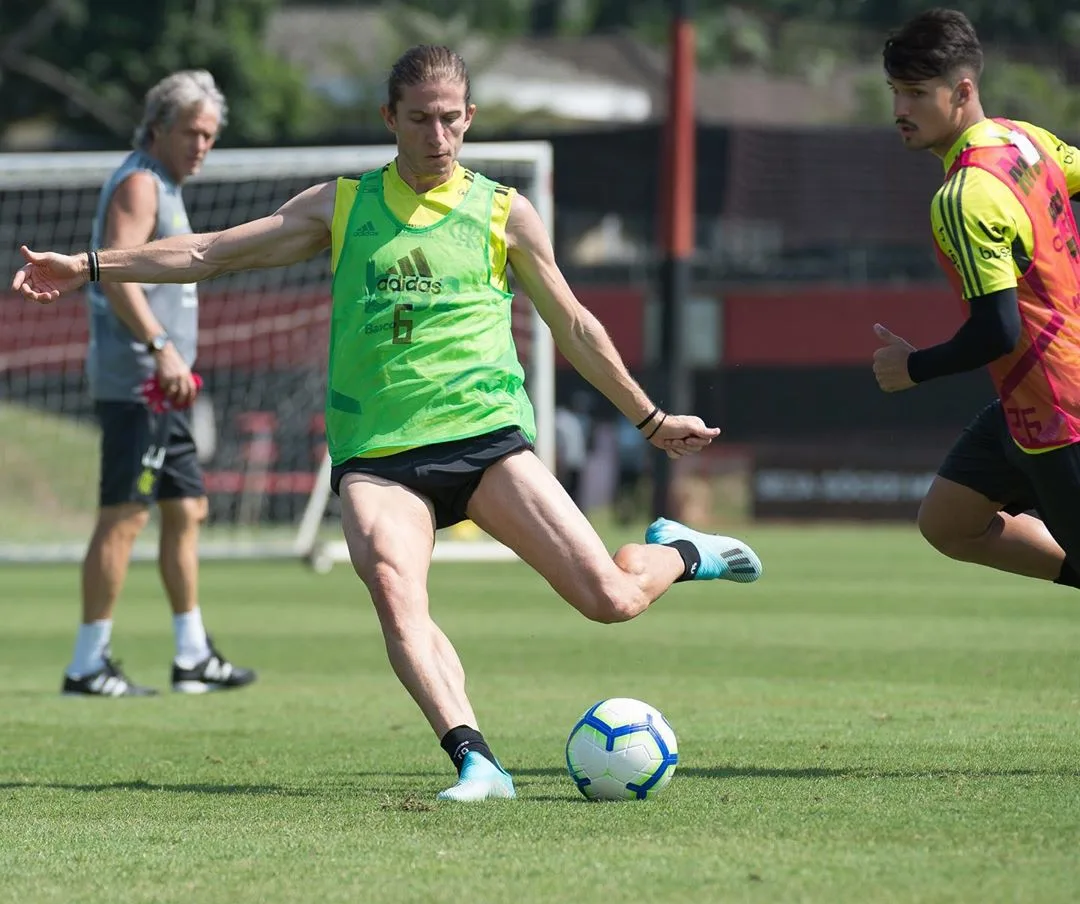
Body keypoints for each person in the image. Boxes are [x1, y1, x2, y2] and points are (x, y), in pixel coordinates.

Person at [13, 45, 761, 799]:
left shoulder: (504, 211)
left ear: (468, 118)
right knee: (397, 596)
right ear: (389, 120)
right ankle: (477, 761)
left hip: (486, 442)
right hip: (377, 456)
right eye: (420, 120)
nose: (437, 137)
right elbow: (210, 251)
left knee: (611, 600)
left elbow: (573, 324)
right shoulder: (342, 205)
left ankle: (680, 553)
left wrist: (651, 417)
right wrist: (90, 266)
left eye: (450, 121)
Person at [61, 70, 256, 697]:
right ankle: (87, 664)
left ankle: (192, 656)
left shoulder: (165, 183)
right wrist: (162, 349)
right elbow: (113, 274)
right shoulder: (141, 183)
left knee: (186, 509)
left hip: (164, 389)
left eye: (210, 136)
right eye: (192, 133)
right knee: (123, 516)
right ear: (157, 129)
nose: (202, 145)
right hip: (139, 386)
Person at [871, 10, 1080, 595]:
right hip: (1027, 402)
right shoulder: (1026, 140)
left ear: (963, 91)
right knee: (949, 521)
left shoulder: (964, 195)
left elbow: (998, 330)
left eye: (916, 93)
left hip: (1061, 413)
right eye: (895, 91)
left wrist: (913, 367)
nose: (899, 111)